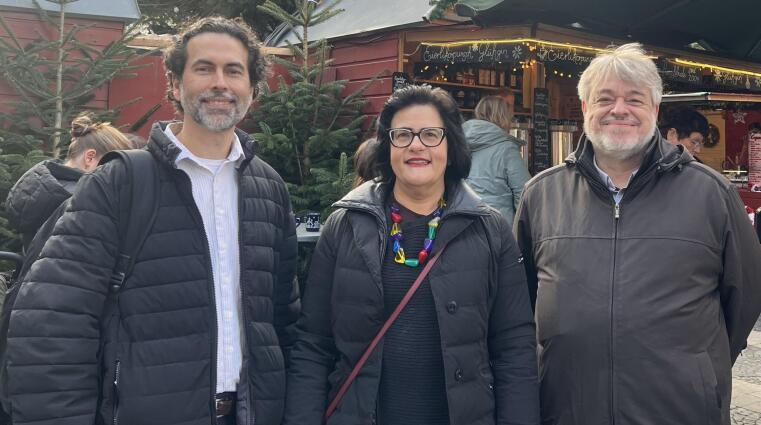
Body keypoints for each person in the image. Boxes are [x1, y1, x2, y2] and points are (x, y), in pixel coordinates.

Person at [6, 16, 299, 425]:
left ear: (252, 88)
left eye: (234, 71)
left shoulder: (268, 188)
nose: (220, 83)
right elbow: (52, 322)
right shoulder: (119, 182)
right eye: (204, 68)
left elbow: (284, 321)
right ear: (175, 84)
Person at [514, 43, 761, 425]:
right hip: (570, 408)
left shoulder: (711, 193)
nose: (619, 109)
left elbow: (744, 298)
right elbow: (519, 302)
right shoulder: (542, 195)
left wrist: (698, 371)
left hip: (680, 411)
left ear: (655, 111)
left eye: (634, 99)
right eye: (605, 98)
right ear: (585, 107)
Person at [284, 85, 539, 425]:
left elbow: (514, 348)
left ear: (451, 146)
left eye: (431, 134)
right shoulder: (344, 226)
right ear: (387, 147)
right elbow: (313, 344)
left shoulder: (490, 231)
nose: (416, 145)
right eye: (402, 134)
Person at [5, 113, 133, 252]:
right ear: (90, 158)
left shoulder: (45, 186)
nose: (116, 175)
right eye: (112, 167)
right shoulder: (81, 198)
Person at [463, 95, 531, 226]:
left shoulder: (461, 142)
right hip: (498, 225)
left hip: (464, 221)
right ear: (503, 117)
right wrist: (524, 228)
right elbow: (524, 193)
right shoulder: (507, 148)